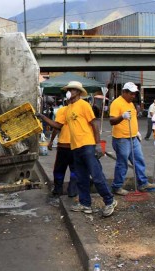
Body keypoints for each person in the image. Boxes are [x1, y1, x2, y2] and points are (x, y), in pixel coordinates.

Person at [38, 81, 117, 217]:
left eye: (72, 89)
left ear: (78, 92)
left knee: (97, 176)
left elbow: (94, 124)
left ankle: (110, 201)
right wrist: (43, 117)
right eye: (68, 89)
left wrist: (97, 144)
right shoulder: (68, 109)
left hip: (87, 145)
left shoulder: (84, 105)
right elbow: (58, 125)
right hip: (75, 147)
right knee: (81, 178)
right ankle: (85, 204)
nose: (69, 91)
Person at [109, 82, 155, 196]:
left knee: (139, 160)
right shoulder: (117, 103)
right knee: (122, 163)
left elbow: (133, 120)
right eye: (131, 94)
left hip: (133, 137)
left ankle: (143, 183)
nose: (133, 96)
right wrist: (122, 116)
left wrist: (137, 132)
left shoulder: (130, 104)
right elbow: (111, 121)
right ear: (124, 92)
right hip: (121, 139)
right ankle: (117, 186)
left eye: (134, 94)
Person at [47, 92, 78, 198]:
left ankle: (58, 190)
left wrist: (51, 141)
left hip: (64, 146)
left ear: (66, 101)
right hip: (76, 145)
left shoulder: (62, 110)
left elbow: (56, 127)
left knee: (59, 169)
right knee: (75, 170)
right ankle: (72, 190)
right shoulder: (80, 109)